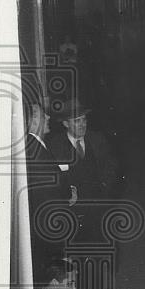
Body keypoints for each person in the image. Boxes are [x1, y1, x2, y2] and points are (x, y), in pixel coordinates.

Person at [45, 98, 119, 245]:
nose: (82, 124)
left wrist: (105, 185)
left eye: (84, 119)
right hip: (72, 211)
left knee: (101, 246)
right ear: (66, 124)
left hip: (98, 207)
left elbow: (111, 164)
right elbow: (52, 177)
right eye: (77, 121)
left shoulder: (97, 139)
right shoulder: (55, 146)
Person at [23, 102, 77, 266]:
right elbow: (48, 193)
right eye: (43, 115)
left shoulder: (36, 145)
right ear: (32, 121)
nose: (48, 117)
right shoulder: (33, 150)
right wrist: (68, 196)